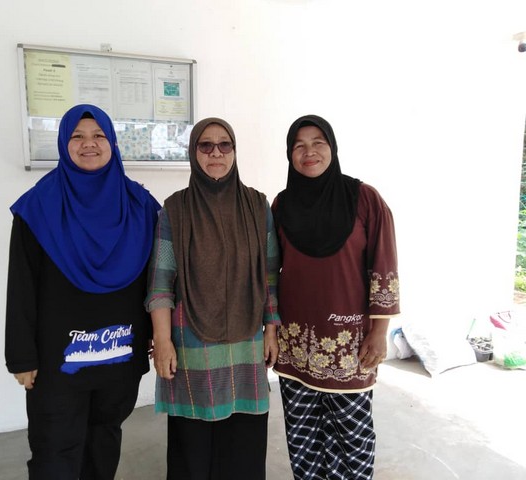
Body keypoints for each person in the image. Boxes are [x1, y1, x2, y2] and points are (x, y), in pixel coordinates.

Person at [5, 104, 161, 480]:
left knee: (104, 441)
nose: (88, 143)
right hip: (57, 363)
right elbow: (21, 284)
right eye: (77, 136)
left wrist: (158, 336)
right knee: (54, 450)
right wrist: (21, 356)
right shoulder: (38, 207)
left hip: (120, 356)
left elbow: (156, 280)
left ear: (113, 144)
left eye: (98, 136)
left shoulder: (140, 206)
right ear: (64, 144)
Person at [145, 117, 281, 480]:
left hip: (246, 340)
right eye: (206, 146)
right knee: (193, 446)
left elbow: (270, 275)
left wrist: (271, 330)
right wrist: (162, 340)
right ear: (194, 153)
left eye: (225, 145)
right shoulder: (175, 210)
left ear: (235, 151)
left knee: (244, 444)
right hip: (192, 342)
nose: (216, 153)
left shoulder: (257, 207)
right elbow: (161, 282)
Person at [272, 114, 400, 480]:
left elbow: (384, 265)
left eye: (318, 143)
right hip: (295, 344)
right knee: (302, 436)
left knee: (352, 437)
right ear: (289, 154)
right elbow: (270, 271)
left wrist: (379, 331)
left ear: (332, 147)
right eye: (299, 145)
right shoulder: (282, 205)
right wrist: (270, 330)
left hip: (349, 344)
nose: (308, 152)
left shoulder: (364, 199)